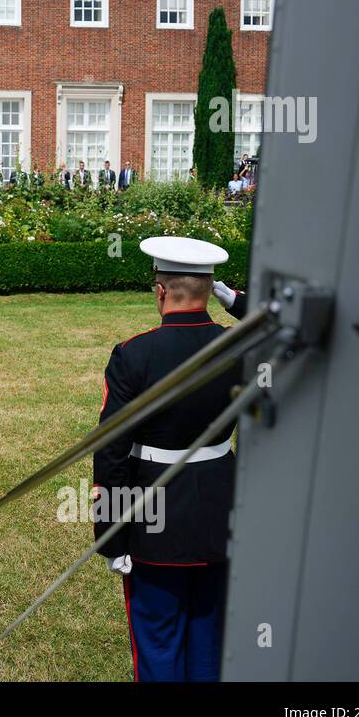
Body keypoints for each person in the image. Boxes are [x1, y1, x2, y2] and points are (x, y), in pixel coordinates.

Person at [93, 236, 239, 681]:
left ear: (160, 291)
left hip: (152, 513)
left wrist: (112, 536)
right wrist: (237, 302)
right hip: (221, 506)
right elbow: (286, 333)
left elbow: (113, 449)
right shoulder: (238, 346)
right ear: (210, 289)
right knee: (210, 639)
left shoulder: (135, 353)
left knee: (158, 641)